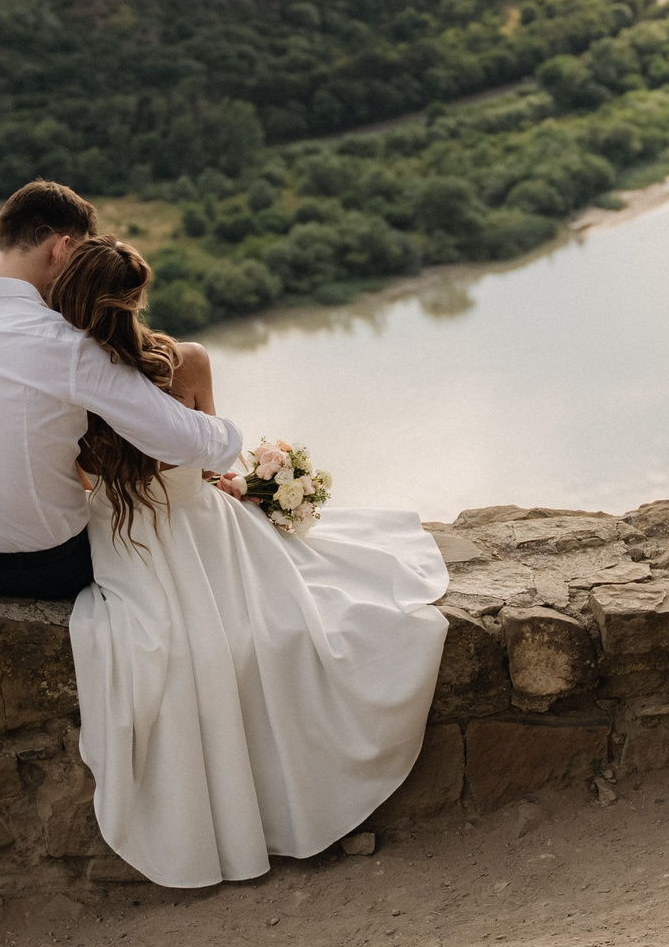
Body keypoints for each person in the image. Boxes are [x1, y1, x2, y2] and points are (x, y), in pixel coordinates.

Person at [46, 234, 449, 889]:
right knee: (289, 620)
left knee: (186, 652)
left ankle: (212, 838)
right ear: (136, 300)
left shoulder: (59, 386)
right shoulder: (189, 361)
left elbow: (80, 483)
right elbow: (209, 460)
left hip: (127, 541)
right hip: (206, 527)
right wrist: (238, 484)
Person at [0, 181, 242, 599]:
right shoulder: (69, 346)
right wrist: (230, 439)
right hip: (48, 567)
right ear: (60, 249)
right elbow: (180, 440)